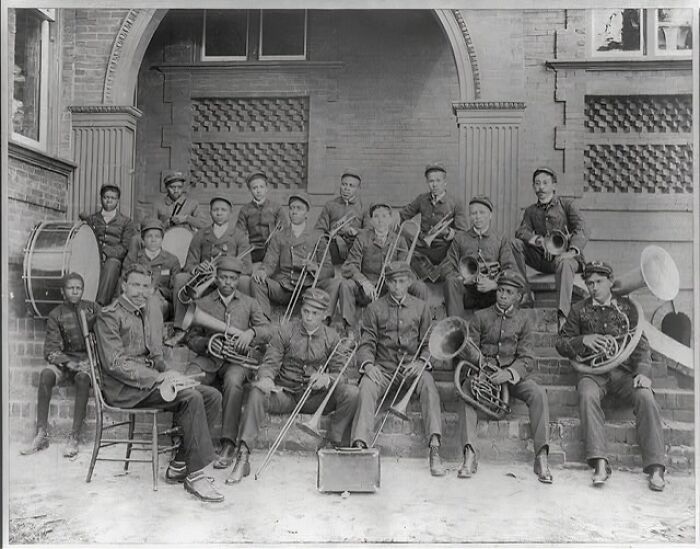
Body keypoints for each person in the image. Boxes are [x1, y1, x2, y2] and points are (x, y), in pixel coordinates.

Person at [94, 263, 225, 502]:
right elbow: (114, 363)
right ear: (124, 286)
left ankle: (180, 464)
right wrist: (157, 377)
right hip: (124, 390)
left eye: (146, 286)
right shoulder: (109, 315)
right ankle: (196, 476)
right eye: (135, 285)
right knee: (190, 398)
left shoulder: (143, 311)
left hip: (146, 383)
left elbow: (153, 356)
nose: (140, 291)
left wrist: (171, 373)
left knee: (210, 395)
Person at [226, 288, 359, 484]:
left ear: (324, 315)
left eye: (315, 314)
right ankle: (244, 454)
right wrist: (267, 378)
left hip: (315, 397)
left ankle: (332, 443)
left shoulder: (332, 337)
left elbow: (342, 373)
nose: (309, 317)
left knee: (352, 393)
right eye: (306, 311)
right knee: (257, 391)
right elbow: (270, 362)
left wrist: (328, 379)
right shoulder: (286, 330)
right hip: (286, 395)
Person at [556, 261, 666, 491]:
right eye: (589, 283)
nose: (593, 287)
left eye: (598, 282)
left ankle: (656, 467)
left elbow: (641, 347)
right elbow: (561, 343)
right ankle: (600, 463)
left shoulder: (627, 308)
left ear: (610, 281)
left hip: (624, 373)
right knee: (586, 394)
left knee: (646, 396)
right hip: (594, 374)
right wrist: (582, 340)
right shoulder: (578, 310)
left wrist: (643, 373)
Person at [455, 270, 552, 483]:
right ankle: (470, 453)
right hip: (483, 375)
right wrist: (482, 370)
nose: (503, 295)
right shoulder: (480, 316)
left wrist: (508, 373)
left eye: (509, 292)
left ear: (518, 296)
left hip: (510, 378)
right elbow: (469, 349)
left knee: (538, 393)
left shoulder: (524, 320)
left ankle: (542, 456)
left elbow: (527, 358)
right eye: (500, 290)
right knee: (465, 392)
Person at [350, 261, 445, 477]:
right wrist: (368, 364)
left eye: (402, 281)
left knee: (429, 386)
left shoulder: (421, 307)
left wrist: (422, 362)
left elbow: (430, 340)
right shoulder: (374, 308)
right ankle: (359, 446)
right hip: (384, 369)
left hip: (413, 369)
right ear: (387, 282)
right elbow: (367, 341)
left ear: (409, 282)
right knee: (366, 386)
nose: (397, 287)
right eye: (392, 282)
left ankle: (435, 447)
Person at [185, 256, 271, 469]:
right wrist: (206, 343)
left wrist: (251, 333)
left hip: (235, 362)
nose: (228, 282)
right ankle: (184, 438)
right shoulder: (203, 303)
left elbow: (268, 331)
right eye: (223, 277)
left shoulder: (249, 303)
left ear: (238, 279)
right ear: (216, 278)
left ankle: (228, 443)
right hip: (208, 358)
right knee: (189, 378)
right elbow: (190, 337)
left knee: (234, 382)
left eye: (232, 278)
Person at [20, 273, 99, 458]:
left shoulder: (92, 309)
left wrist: (91, 362)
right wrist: (69, 363)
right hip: (64, 362)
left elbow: (104, 335)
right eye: (71, 287)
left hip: (86, 362)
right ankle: (41, 434)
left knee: (82, 379)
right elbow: (50, 350)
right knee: (46, 374)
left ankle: (74, 437)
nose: (75, 291)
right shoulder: (56, 314)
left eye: (78, 287)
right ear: (64, 291)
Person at [167, 196, 253, 346]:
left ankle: (241, 328)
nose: (219, 213)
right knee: (181, 278)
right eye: (215, 210)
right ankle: (181, 328)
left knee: (245, 281)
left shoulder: (239, 235)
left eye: (223, 210)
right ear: (210, 212)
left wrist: (229, 267)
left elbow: (247, 267)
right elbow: (189, 265)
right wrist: (197, 268)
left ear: (230, 213)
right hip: (205, 280)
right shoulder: (200, 234)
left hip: (228, 280)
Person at [511, 167, 588, 330]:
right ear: (533, 187)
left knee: (565, 264)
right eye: (537, 184)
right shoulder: (531, 211)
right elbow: (521, 231)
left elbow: (582, 229)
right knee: (514, 244)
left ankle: (563, 317)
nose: (541, 188)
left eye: (545, 183)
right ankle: (525, 295)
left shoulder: (567, 205)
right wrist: (538, 240)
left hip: (567, 259)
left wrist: (571, 251)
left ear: (554, 186)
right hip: (544, 261)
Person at [338, 202, 428, 335]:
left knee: (420, 287)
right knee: (346, 285)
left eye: (385, 216)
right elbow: (350, 265)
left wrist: (394, 279)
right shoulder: (362, 238)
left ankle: (422, 331)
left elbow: (404, 268)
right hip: (367, 290)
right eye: (376, 217)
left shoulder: (399, 239)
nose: (380, 220)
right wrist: (363, 282)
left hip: (391, 286)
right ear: (371, 220)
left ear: (391, 219)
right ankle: (349, 331)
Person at [251, 193, 339, 321]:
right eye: (292, 208)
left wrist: (314, 267)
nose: (294, 212)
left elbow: (329, 269)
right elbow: (270, 262)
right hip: (284, 288)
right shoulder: (279, 236)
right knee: (256, 281)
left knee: (334, 283)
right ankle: (263, 321)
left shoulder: (317, 236)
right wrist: (262, 271)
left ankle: (324, 322)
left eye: (299, 208)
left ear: (307, 213)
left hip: (308, 288)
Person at [443, 196, 515, 318]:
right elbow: (447, 267)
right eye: (473, 213)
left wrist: (494, 284)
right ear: (469, 216)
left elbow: (510, 268)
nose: (477, 216)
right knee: (451, 281)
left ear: (490, 215)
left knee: (508, 288)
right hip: (467, 293)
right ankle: (456, 328)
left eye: (482, 212)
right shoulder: (460, 238)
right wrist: (463, 279)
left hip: (492, 295)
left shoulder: (500, 239)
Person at [399, 163, 468, 282]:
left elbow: (462, 233)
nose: (434, 184)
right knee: (402, 239)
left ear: (445, 182)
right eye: (431, 181)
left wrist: (447, 232)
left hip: (443, 248)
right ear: (427, 182)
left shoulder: (456, 202)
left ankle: (432, 272)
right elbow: (403, 215)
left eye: (438, 180)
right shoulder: (422, 199)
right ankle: (431, 272)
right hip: (423, 247)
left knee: (457, 249)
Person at [80, 184, 137, 305]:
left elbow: (125, 246)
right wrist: (97, 255)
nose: (109, 200)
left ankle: (98, 304)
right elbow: (86, 240)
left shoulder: (126, 222)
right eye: (106, 197)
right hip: (93, 257)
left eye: (113, 198)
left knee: (112, 263)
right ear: (101, 198)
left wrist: (107, 253)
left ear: (117, 200)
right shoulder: (92, 219)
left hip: (114, 260)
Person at [314, 169, 368, 265]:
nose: (346, 188)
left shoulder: (364, 207)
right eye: (344, 184)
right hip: (333, 247)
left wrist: (354, 231)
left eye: (351, 186)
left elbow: (369, 231)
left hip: (355, 247)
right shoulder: (330, 205)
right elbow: (319, 229)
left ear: (358, 189)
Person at [236, 171, 286, 264]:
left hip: (273, 250)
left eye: (261, 187)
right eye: (254, 188)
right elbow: (239, 233)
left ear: (267, 188)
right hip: (252, 250)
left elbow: (283, 230)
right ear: (250, 190)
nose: (258, 190)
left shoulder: (276, 208)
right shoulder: (245, 210)